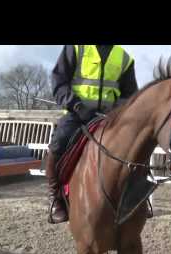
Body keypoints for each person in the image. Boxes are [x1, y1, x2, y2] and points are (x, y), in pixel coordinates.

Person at [46, 45, 138, 224]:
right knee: (58, 144)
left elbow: (130, 94)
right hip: (77, 113)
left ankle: (134, 195)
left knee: (135, 143)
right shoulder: (76, 48)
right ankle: (55, 198)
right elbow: (59, 82)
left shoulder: (124, 58)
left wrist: (116, 111)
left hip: (110, 117)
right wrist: (77, 106)